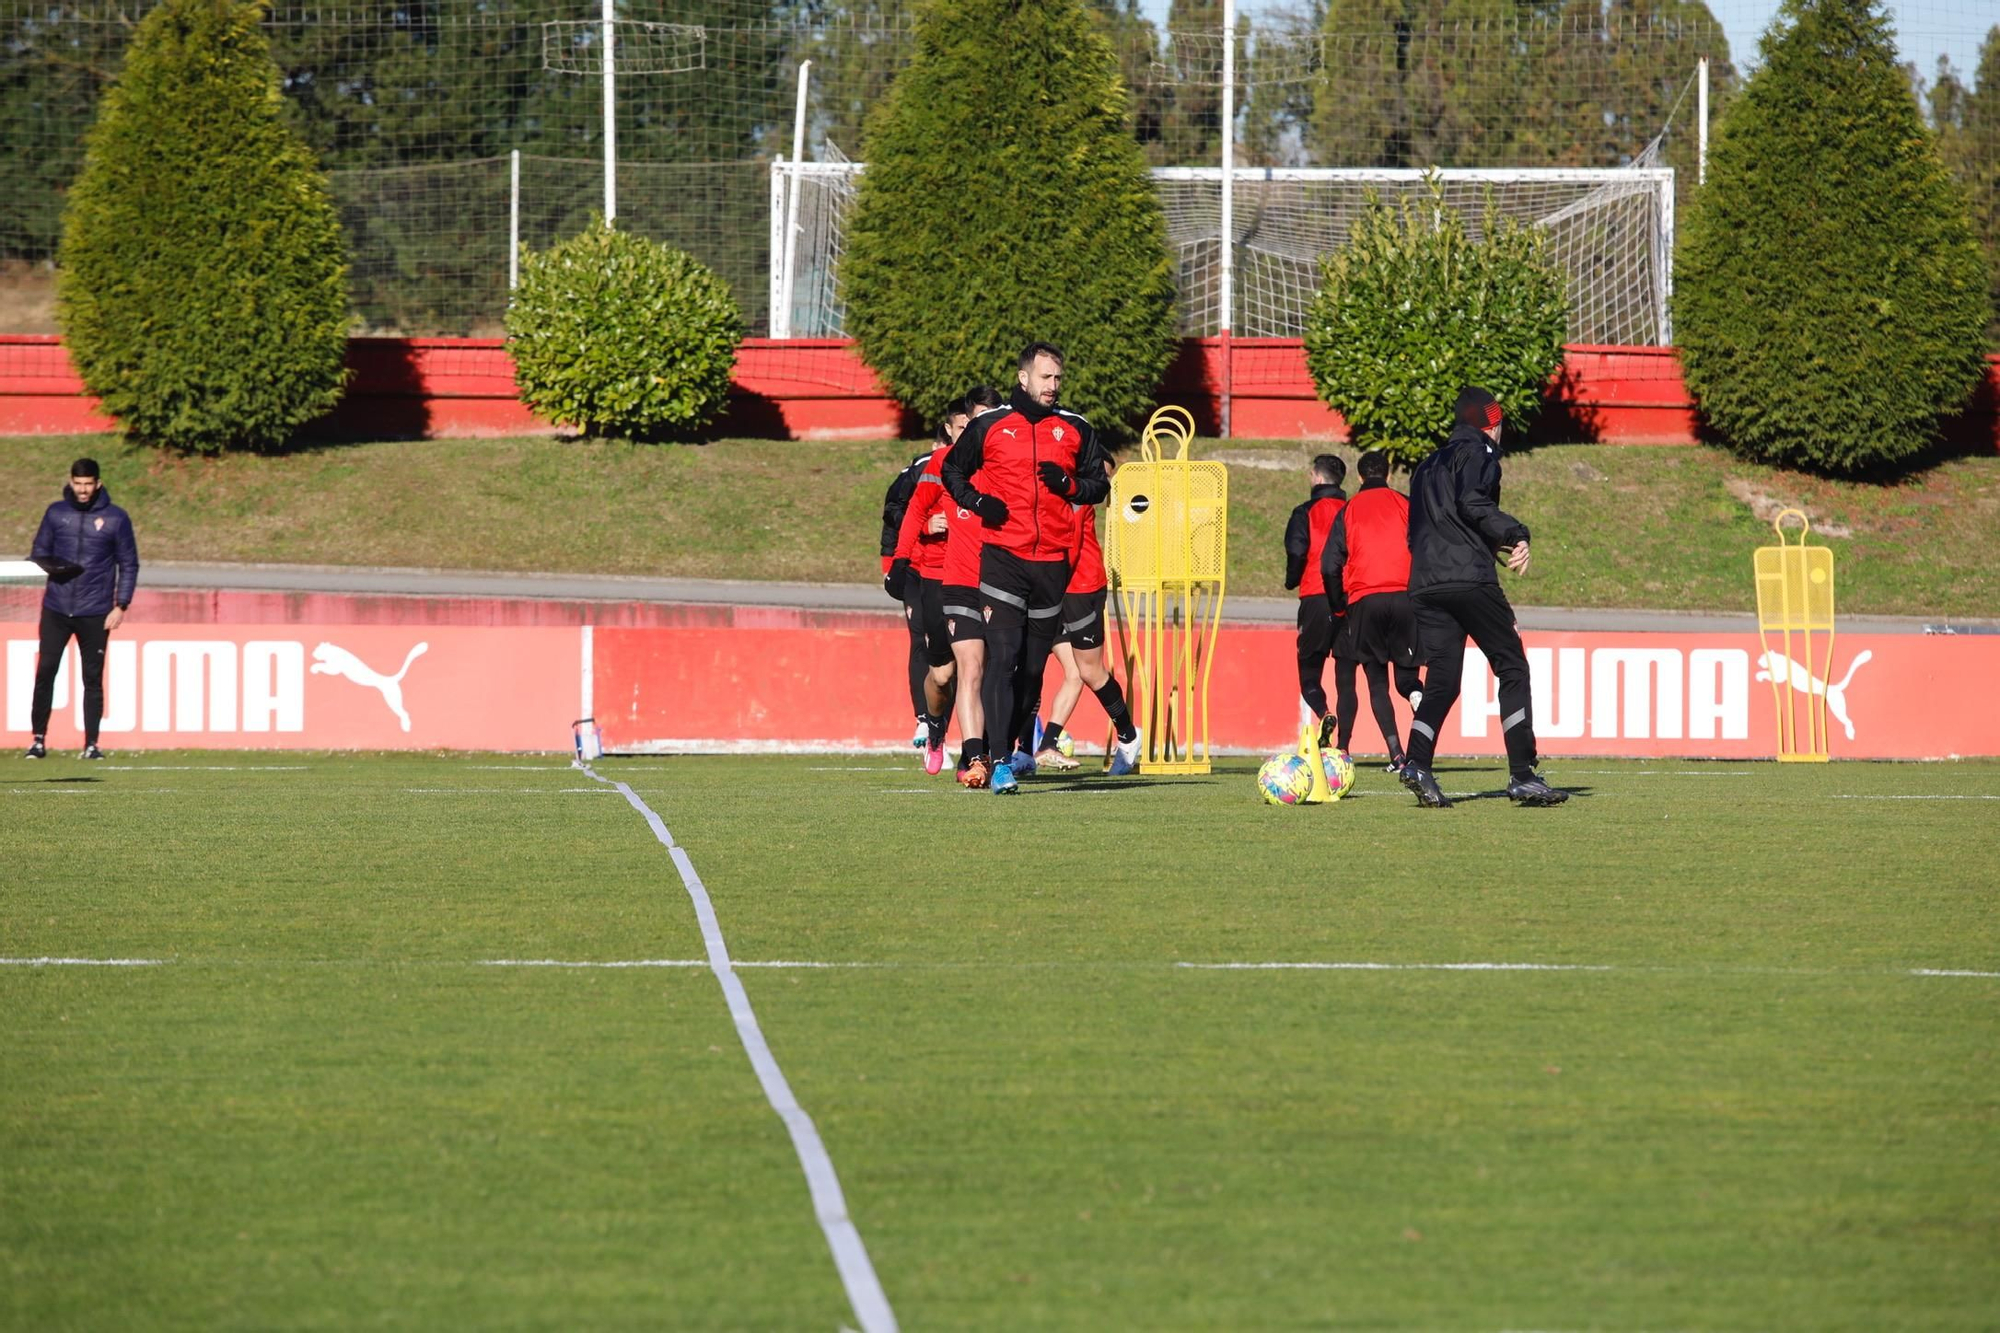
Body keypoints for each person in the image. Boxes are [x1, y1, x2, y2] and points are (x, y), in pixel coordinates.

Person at [943, 341, 1131, 795]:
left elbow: (1098, 485)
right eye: (1045, 377)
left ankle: (1005, 747)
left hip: (1052, 566)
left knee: (1030, 673)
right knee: (1003, 658)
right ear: (1024, 377)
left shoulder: (1075, 428)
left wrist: (1069, 484)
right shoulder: (989, 424)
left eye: (1058, 379)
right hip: (1003, 560)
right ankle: (999, 762)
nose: (1053, 386)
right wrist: (979, 501)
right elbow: (953, 472)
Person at [1398, 387, 1566, 808]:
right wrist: (1514, 533)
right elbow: (1471, 501)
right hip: (1469, 580)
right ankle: (1523, 774)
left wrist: (1489, 543)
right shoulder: (1483, 454)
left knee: (1441, 681)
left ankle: (1417, 763)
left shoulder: (1425, 466)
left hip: (1425, 582)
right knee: (1511, 667)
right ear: (1492, 423)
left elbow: (1426, 527)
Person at [888, 386, 1001, 776]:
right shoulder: (937, 465)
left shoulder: (1000, 465)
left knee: (981, 668)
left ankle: (980, 757)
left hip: (985, 580)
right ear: (956, 428)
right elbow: (909, 512)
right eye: (970, 423)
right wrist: (900, 559)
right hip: (936, 579)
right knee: (943, 674)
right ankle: (935, 731)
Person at [26, 457, 140, 760]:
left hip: (96, 610)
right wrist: (57, 567)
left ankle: (92, 744)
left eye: (89, 484)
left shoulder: (116, 518)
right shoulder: (56, 513)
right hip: (57, 607)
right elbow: (39, 552)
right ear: (71, 482)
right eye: (78, 484)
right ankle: (37, 740)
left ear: (98, 483)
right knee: (46, 671)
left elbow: (128, 563)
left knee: (92, 677)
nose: (84, 489)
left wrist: (121, 605)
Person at [1033, 456, 1140, 774]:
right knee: (1034, 667)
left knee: (1089, 671)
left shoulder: (1078, 498)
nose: (1103, 483)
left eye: (1107, 477)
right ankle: (1035, 748)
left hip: (1080, 589)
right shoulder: (1053, 491)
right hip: (1050, 589)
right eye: (1100, 474)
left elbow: (1071, 548)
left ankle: (1128, 736)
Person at [1320, 449, 1423, 772]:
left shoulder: (1349, 510)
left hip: (1365, 599)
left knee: (1376, 681)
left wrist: (1339, 606)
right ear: (1389, 475)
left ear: (1360, 477)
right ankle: (1417, 697)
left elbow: (1328, 565)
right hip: (1406, 596)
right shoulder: (1406, 504)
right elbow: (1425, 547)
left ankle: (1396, 753)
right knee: (1406, 678)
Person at [1283, 454, 1347, 728]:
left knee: (1309, 671)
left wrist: (1291, 579)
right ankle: (1345, 742)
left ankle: (1324, 712)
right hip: (1350, 598)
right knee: (1348, 674)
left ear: (1318, 478)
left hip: (1315, 596)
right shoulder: (1351, 509)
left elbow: (1297, 550)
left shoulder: (1305, 512)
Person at [881, 437, 938, 748]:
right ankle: (924, 721)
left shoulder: (984, 463)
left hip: (965, 571)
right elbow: (893, 512)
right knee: (921, 639)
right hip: (918, 569)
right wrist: (890, 562)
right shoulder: (921, 469)